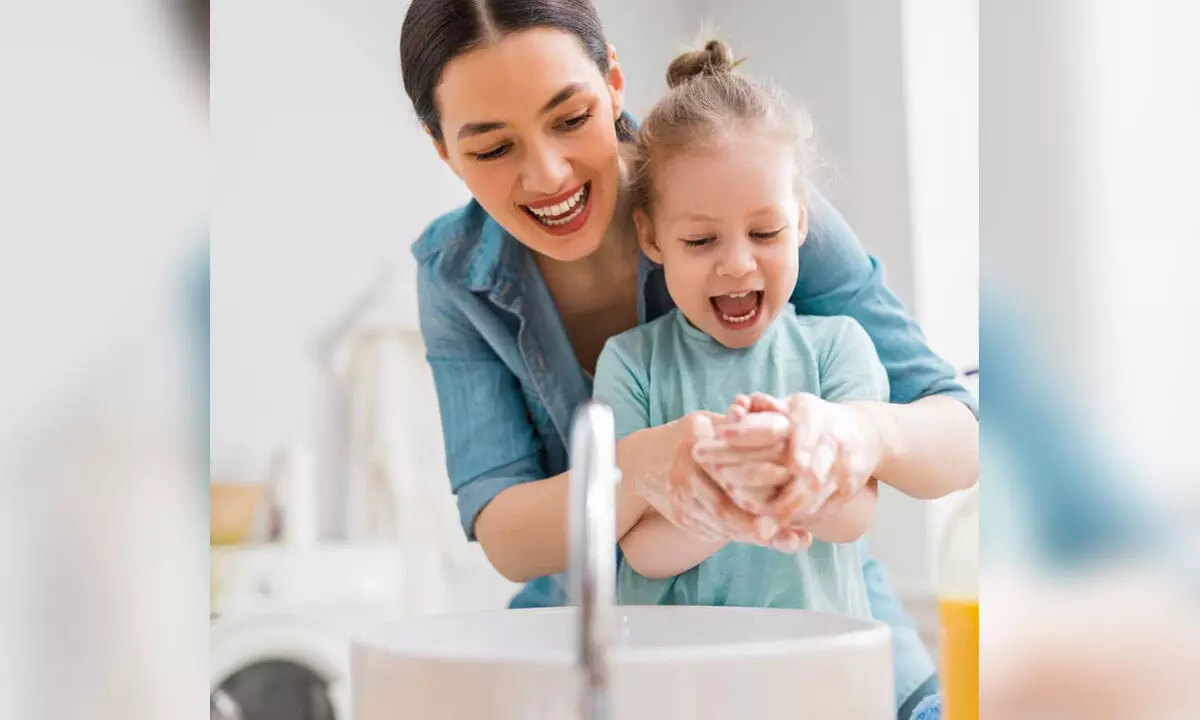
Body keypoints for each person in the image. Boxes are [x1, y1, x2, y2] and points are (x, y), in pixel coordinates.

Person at [399, 1, 978, 717]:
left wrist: (856, 434)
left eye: (570, 118)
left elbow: (959, 436)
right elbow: (508, 535)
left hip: (826, 645)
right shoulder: (454, 274)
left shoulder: (737, 178)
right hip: (614, 649)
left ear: (613, 81)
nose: (547, 174)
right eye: (493, 149)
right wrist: (646, 466)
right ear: (442, 148)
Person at [596, 39, 886, 617]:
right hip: (678, 664)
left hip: (812, 659)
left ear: (799, 223)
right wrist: (733, 499)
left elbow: (854, 515)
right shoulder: (630, 365)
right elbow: (641, 551)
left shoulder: (837, 348)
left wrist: (769, 479)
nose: (736, 264)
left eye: (765, 233)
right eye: (701, 240)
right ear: (652, 238)